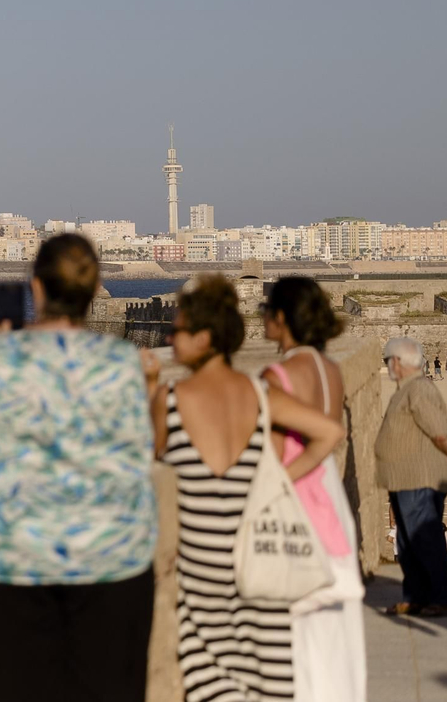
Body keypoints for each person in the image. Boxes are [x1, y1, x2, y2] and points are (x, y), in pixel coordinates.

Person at [0, 234, 156, 702]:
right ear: (93, 288)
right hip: (111, 562)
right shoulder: (123, 361)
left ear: (36, 289)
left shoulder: (1, 356)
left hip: (8, 565)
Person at [153, 276, 344, 702]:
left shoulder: (168, 400)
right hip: (260, 565)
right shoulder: (260, 395)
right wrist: (277, 481)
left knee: (207, 687)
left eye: (176, 329)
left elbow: (144, 469)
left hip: (200, 580)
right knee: (272, 685)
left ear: (204, 337)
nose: (168, 337)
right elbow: (329, 432)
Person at [260, 276, 366, 701]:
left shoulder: (280, 374)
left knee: (296, 637)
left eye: (268, 309)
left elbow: (278, 450)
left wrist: (279, 481)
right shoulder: (331, 371)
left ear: (282, 318)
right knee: (335, 635)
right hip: (329, 497)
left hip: (298, 503)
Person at [374, 336, 447, 617]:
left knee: (425, 540)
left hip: (420, 479)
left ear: (398, 361)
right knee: (409, 544)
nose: (387, 366)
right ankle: (415, 597)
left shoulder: (420, 390)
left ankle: (439, 599)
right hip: (406, 478)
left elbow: (435, 428)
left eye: (387, 361)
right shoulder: (409, 388)